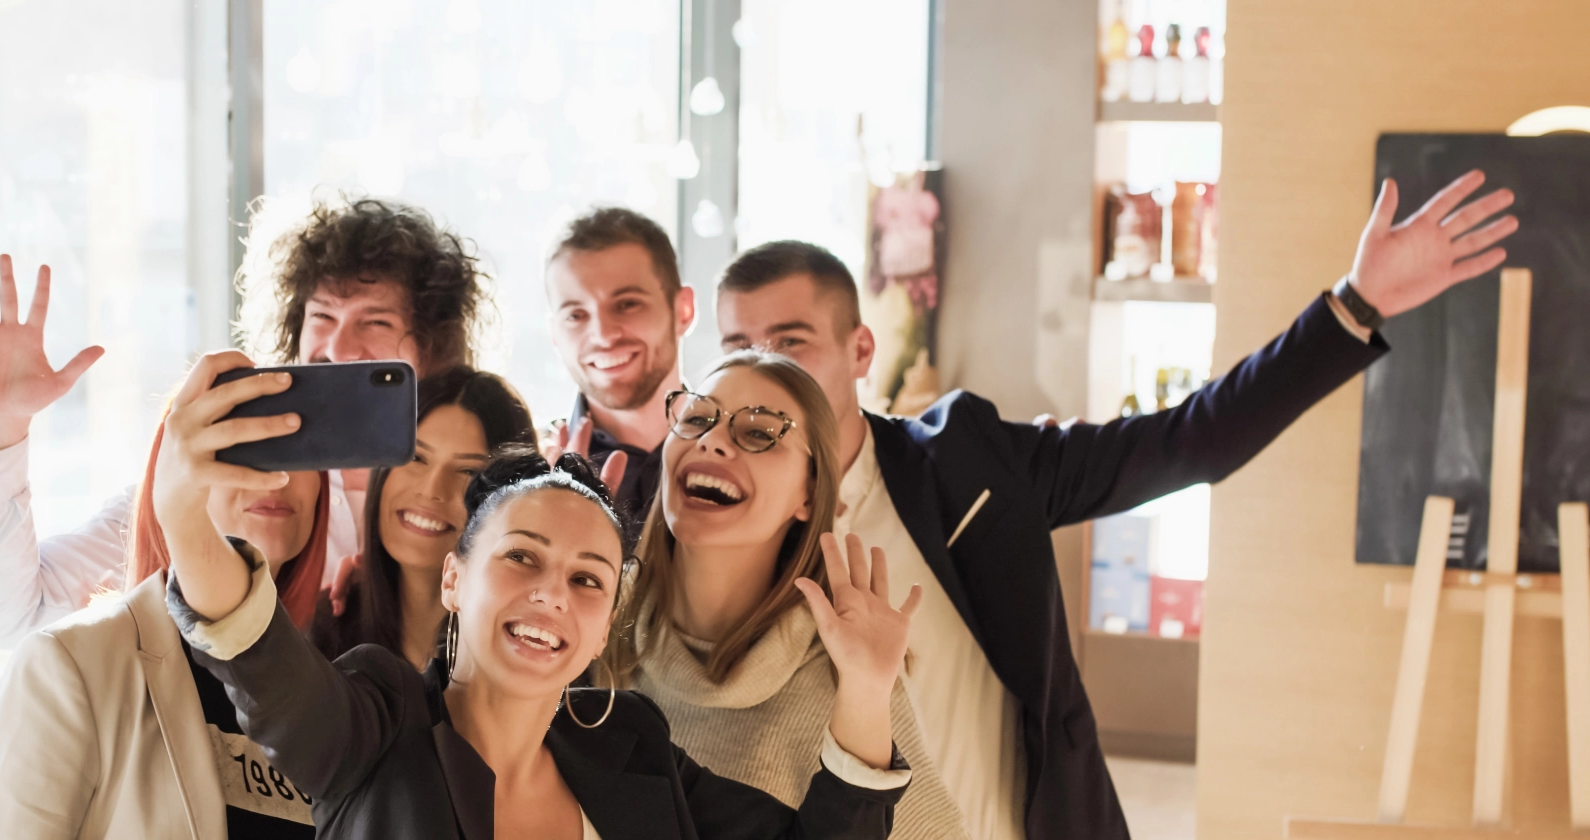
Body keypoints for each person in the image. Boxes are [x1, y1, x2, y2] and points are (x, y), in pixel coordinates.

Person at [711, 171, 1520, 839]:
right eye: (739, 351)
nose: (766, 375)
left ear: (860, 349)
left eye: (791, 344)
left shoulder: (965, 460)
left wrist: (1353, 307)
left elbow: (1189, 441)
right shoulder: (714, 523)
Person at [158, 351, 920, 838]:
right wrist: (183, 515)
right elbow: (263, 662)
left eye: (588, 577)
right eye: (522, 557)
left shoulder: (636, 749)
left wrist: (864, 688)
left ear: (605, 621)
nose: (553, 593)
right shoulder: (379, 725)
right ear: (455, 577)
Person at [0, 195, 487, 647]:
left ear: (430, 348)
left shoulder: (461, 497)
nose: (336, 346)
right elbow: (0, 614)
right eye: (321, 316)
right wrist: (3, 429)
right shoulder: (213, 469)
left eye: (375, 321)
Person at [0, 361, 333, 839]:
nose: (276, 472)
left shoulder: (324, 689)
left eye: (297, 448)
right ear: (174, 469)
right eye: (240, 445)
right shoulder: (68, 667)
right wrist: (1, 430)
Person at [600, 350, 966, 838]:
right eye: (696, 418)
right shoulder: (594, 620)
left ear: (811, 497)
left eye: (759, 433)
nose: (712, 442)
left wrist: (867, 693)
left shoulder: (848, 679)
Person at [310, 366, 536, 668]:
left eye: (468, 471)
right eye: (415, 457)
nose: (431, 491)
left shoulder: (533, 642)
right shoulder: (327, 629)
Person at [540, 206, 694, 526]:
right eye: (576, 315)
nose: (604, 336)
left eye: (627, 304)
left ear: (683, 310)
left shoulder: (739, 462)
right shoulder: (525, 474)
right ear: (554, 333)